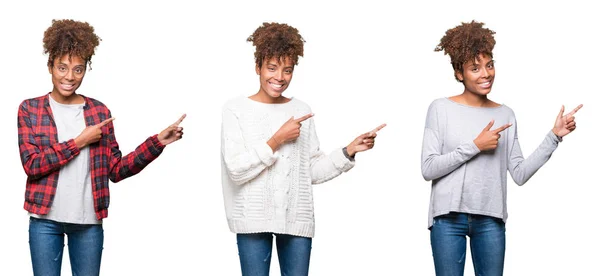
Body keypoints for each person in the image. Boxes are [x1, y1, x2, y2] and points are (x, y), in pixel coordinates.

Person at [18, 19, 185, 276]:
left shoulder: (99, 111)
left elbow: (116, 171)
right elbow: (33, 165)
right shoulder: (30, 109)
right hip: (44, 221)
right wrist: (78, 142)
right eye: (62, 67)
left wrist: (157, 143)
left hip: (88, 223)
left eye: (78, 69)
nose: (69, 77)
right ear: (50, 66)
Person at [220, 22, 385, 276]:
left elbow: (311, 171)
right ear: (258, 67)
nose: (279, 78)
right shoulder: (236, 109)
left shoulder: (300, 109)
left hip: (296, 220)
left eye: (287, 70)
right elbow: (236, 170)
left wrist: (349, 150)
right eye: (272, 68)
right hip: (251, 221)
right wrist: (276, 139)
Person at [421, 20, 582, 276]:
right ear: (459, 73)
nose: (486, 74)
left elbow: (519, 173)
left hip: (490, 220)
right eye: (475, 68)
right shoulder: (440, 109)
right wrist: (475, 146)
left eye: (489, 65)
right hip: (448, 219)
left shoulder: (505, 114)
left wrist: (554, 136)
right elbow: (428, 168)